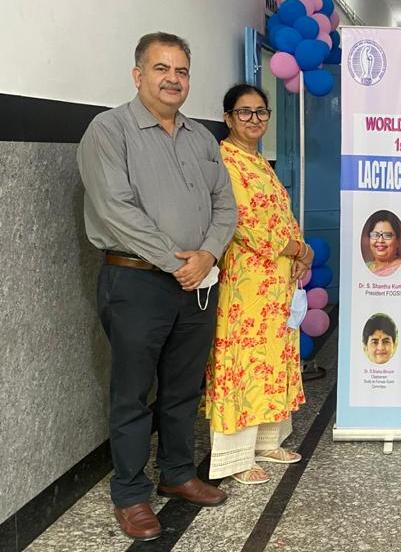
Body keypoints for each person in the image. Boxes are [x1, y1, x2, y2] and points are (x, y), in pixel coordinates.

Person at [77, 32, 237, 540]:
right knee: (131, 392)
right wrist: (176, 262)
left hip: (198, 282)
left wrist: (208, 254)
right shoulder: (109, 130)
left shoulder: (201, 138)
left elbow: (225, 204)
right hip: (137, 281)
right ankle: (130, 494)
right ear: (138, 74)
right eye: (161, 68)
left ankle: (177, 473)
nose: (173, 79)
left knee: (183, 387)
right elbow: (115, 210)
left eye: (181, 71)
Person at [204, 84, 309, 485]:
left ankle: (267, 440)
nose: (254, 119)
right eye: (244, 112)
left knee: (273, 358)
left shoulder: (259, 161)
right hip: (246, 282)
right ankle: (234, 458)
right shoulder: (225, 160)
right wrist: (296, 248)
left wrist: (301, 254)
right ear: (228, 118)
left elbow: (282, 214)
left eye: (261, 112)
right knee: (243, 361)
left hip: (278, 281)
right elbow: (245, 222)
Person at [364, 211, 401, 276]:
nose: (380, 240)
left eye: (387, 235)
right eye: (375, 235)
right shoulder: (366, 267)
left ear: (398, 241)